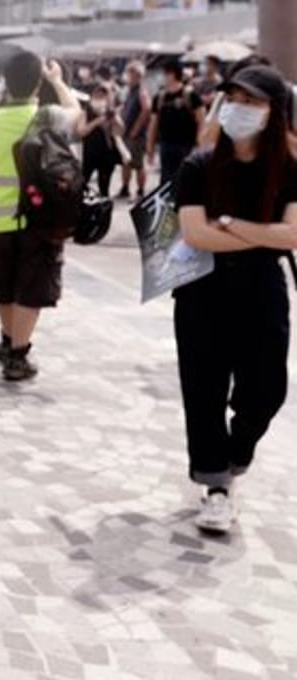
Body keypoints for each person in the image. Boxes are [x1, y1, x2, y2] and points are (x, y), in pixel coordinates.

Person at [173, 65, 297, 533]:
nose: (240, 110)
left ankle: (236, 454)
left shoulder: (288, 170)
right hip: (202, 292)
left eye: (252, 102)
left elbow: (294, 235)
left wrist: (231, 225)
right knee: (203, 391)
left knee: (267, 388)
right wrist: (266, 236)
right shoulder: (199, 166)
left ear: (274, 112)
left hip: (262, 291)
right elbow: (195, 233)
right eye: (233, 100)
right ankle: (216, 487)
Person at [0, 51, 80, 381]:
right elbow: (77, 113)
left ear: (6, 82)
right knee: (30, 289)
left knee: (3, 286)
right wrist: (58, 81)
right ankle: (18, 356)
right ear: (37, 82)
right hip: (38, 219)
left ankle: (8, 341)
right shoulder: (47, 115)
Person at [147, 59, 204, 189]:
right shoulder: (160, 98)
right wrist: (150, 147)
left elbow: (201, 120)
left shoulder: (191, 96)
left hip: (187, 146)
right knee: (166, 181)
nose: (161, 77)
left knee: (185, 180)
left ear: (172, 74)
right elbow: (153, 123)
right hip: (166, 145)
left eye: (164, 73)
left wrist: (200, 143)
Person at [78, 83, 124, 198]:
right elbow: (81, 131)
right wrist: (97, 121)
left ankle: (104, 212)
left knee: (104, 187)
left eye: (103, 96)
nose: (100, 98)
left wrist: (114, 119)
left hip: (107, 154)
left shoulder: (110, 112)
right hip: (89, 153)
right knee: (82, 183)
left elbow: (121, 130)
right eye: (97, 95)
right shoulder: (86, 110)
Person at [118, 61, 152, 200]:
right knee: (125, 163)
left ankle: (140, 190)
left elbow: (147, 109)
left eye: (131, 74)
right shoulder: (130, 91)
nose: (128, 77)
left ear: (138, 76)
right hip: (126, 133)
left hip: (136, 135)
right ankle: (125, 188)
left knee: (138, 164)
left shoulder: (141, 91)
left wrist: (136, 129)